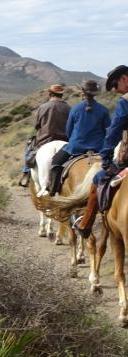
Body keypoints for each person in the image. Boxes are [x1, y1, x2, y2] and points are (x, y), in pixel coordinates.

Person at [73, 65, 128, 238]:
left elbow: (113, 131)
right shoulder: (104, 110)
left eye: (115, 85)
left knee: (99, 178)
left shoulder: (126, 101)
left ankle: (85, 224)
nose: (116, 90)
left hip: (77, 146)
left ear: (124, 79)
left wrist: (105, 157)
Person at [47, 80, 111, 194]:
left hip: (75, 147)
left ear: (83, 92)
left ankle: (52, 190)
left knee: (55, 162)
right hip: (98, 148)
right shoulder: (103, 110)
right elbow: (108, 130)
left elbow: (68, 131)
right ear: (96, 94)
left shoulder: (75, 109)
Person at [19, 83, 71, 187]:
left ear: (50, 94)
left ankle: (26, 173)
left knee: (29, 148)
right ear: (61, 95)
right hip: (66, 140)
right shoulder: (69, 107)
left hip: (45, 140)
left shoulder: (43, 107)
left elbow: (37, 126)